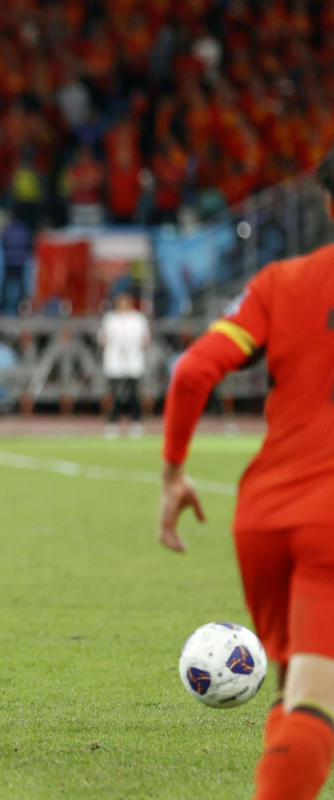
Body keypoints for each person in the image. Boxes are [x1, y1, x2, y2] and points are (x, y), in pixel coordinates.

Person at [158, 148, 334, 800]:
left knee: (297, 694)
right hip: (329, 522)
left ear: (327, 202)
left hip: (265, 515)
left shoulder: (279, 283)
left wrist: (174, 473)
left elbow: (191, 372)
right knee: (316, 701)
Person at [98, 291, 150, 438]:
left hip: (134, 360)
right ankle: (113, 422)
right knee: (114, 393)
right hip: (114, 360)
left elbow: (146, 339)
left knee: (134, 393)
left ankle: (136, 422)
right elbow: (102, 339)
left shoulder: (138, 319)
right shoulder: (110, 319)